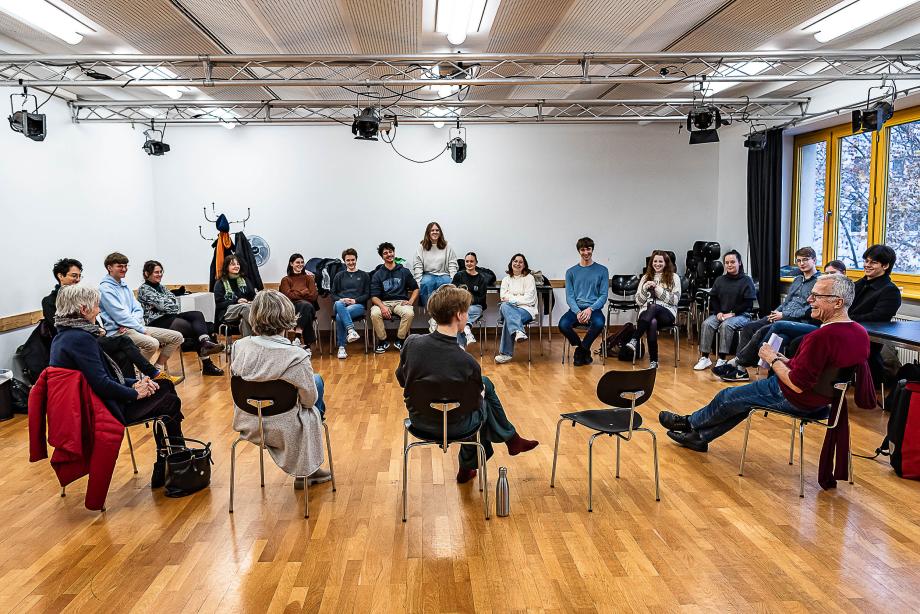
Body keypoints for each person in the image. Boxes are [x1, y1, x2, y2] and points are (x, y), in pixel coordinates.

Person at [660, 274, 870, 452]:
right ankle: (700, 437)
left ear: (838, 302)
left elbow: (797, 384)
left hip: (796, 397)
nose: (809, 300)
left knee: (727, 396)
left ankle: (689, 423)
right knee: (741, 401)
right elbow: (820, 368)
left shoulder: (820, 337)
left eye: (816, 296)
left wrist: (771, 358)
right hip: (825, 402)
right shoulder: (860, 333)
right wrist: (783, 359)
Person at [396, 284, 538, 483]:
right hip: (457, 426)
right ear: (459, 315)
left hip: (420, 420)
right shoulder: (467, 362)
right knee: (484, 404)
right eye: (467, 311)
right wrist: (478, 396)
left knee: (483, 385)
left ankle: (503, 446)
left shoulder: (412, 343)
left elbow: (403, 380)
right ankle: (474, 461)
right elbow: (473, 405)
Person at [50, 284, 185, 487]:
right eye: (96, 306)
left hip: (94, 403)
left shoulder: (63, 336)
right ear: (84, 310)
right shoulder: (80, 339)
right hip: (103, 410)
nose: (99, 310)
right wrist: (133, 393)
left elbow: (104, 377)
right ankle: (175, 462)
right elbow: (102, 384)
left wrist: (138, 383)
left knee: (164, 384)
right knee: (169, 401)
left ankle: (171, 459)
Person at [230, 290, 332, 487]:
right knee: (316, 385)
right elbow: (309, 401)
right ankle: (307, 470)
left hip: (249, 422)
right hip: (285, 427)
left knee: (313, 381)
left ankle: (308, 468)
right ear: (287, 316)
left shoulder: (238, 347)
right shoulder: (296, 355)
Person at [42, 258, 164, 381]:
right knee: (124, 341)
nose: (78, 279)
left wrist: (100, 329)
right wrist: (96, 330)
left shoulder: (83, 295)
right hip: (77, 343)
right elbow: (59, 327)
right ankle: (149, 375)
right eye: (74, 275)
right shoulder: (50, 301)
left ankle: (133, 386)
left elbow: (96, 321)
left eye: (79, 276)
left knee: (123, 354)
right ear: (60, 276)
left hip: (93, 336)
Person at [714, 246, 822, 382]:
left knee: (768, 333)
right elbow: (787, 301)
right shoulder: (797, 280)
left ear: (814, 260)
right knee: (749, 327)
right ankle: (740, 370)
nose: (801, 263)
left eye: (805, 260)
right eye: (799, 260)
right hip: (782, 315)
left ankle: (738, 364)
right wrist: (777, 311)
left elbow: (810, 309)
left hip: (798, 321)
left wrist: (784, 316)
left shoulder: (820, 282)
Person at [98, 252, 184, 378]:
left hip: (133, 326)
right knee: (152, 343)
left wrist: (137, 324)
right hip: (119, 331)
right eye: (120, 266)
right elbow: (120, 315)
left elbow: (138, 308)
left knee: (177, 337)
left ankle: (157, 369)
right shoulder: (105, 289)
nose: (124, 269)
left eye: (125, 266)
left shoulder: (124, 285)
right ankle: (138, 375)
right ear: (109, 268)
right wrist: (141, 329)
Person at [138, 260, 225, 377]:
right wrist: (167, 304)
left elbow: (174, 304)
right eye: (156, 272)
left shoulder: (161, 287)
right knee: (198, 328)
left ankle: (205, 342)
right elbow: (167, 305)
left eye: (161, 272)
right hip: (156, 322)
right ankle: (207, 362)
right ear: (147, 274)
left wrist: (163, 304)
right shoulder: (144, 289)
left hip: (170, 316)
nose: (159, 274)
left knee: (197, 314)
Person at [693, 250, 757, 371]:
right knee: (707, 323)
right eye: (727, 262)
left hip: (741, 315)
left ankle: (722, 358)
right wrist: (718, 312)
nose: (729, 265)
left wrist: (732, 313)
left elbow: (748, 303)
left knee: (726, 326)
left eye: (732, 262)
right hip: (722, 313)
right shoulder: (720, 280)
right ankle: (705, 358)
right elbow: (714, 298)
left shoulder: (746, 280)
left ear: (740, 263)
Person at [767, 260, 848, 346]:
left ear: (843, 273)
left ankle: (760, 355)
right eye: (826, 273)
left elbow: (812, 312)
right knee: (781, 337)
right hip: (811, 322)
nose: (829, 276)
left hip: (822, 326)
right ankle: (767, 358)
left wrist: (785, 315)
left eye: (832, 273)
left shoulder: (845, 291)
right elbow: (810, 308)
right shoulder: (823, 288)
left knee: (779, 326)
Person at [624, 250, 680, 369]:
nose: (657, 264)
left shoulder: (674, 277)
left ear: (666, 263)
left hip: (667, 314)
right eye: (655, 261)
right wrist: (644, 288)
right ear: (651, 263)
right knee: (652, 322)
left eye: (660, 261)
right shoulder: (645, 278)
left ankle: (634, 338)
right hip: (647, 314)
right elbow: (638, 301)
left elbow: (675, 300)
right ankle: (653, 361)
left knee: (653, 306)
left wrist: (658, 289)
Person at [559, 237, 610, 366]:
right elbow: (570, 297)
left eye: (588, 249)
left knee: (599, 323)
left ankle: (580, 351)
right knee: (563, 325)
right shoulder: (571, 272)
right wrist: (577, 312)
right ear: (579, 251)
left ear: (592, 250)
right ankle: (582, 347)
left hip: (594, 309)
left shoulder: (602, 270)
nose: (586, 252)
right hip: (576, 309)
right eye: (583, 249)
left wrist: (590, 309)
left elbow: (603, 295)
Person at [370, 242, 419, 353]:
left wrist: (410, 301)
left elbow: (416, 288)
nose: (389, 254)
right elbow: (374, 297)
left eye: (390, 252)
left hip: (400, 302)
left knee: (409, 313)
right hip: (383, 302)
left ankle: (400, 339)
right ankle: (383, 341)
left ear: (394, 253)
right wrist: (382, 307)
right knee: (374, 313)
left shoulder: (404, 271)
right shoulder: (377, 274)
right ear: (382, 256)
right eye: (385, 253)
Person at [412, 222, 458, 331]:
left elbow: (452, 263)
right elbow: (417, 265)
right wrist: (418, 282)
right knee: (427, 283)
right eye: (432, 230)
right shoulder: (421, 247)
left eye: (437, 230)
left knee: (446, 284)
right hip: (428, 275)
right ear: (428, 232)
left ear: (440, 232)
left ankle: (441, 318)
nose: (435, 232)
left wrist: (454, 279)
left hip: (444, 274)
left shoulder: (447, 246)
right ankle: (433, 317)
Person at [494, 253, 538, 364]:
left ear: (524, 265)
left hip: (526, 310)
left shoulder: (529, 278)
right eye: (515, 261)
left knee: (509, 319)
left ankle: (505, 354)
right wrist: (519, 298)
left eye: (520, 262)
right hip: (508, 308)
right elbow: (503, 297)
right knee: (504, 306)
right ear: (511, 263)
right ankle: (519, 331)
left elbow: (529, 298)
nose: (517, 263)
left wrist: (512, 299)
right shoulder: (506, 279)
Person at [331, 248, 370, 359]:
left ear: (356, 259)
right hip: (340, 304)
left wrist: (355, 301)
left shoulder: (364, 275)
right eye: (348, 260)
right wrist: (342, 300)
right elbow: (333, 294)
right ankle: (351, 330)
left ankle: (342, 347)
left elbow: (367, 294)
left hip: (357, 306)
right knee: (339, 304)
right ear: (344, 261)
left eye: (353, 260)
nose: (351, 262)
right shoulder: (339, 276)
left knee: (339, 316)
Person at [279, 253, 318, 350]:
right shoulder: (286, 280)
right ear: (291, 264)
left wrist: (295, 292)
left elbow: (313, 296)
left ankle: (297, 336)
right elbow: (287, 296)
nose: (300, 264)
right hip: (292, 309)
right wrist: (304, 292)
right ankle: (307, 346)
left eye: (302, 262)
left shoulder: (309, 278)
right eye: (297, 262)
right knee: (306, 309)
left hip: (309, 306)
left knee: (306, 306)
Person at [451, 252, 489, 348]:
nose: (469, 263)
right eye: (467, 261)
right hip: (460, 306)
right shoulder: (458, 276)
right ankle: (465, 335)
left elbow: (481, 298)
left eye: (472, 261)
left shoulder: (481, 279)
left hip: (475, 306)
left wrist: (467, 300)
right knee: (458, 314)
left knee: (464, 313)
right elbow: (452, 293)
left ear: (476, 262)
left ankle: (461, 344)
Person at [213, 254, 256, 337]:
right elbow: (218, 304)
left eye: (238, 264)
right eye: (233, 264)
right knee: (245, 307)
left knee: (244, 319)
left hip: (245, 311)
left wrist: (252, 301)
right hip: (226, 313)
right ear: (226, 267)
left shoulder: (245, 280)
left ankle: (247, 346)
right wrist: (236, 301)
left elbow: (253, 296)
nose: (236, 266)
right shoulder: (220, 283)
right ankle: (261, 331)